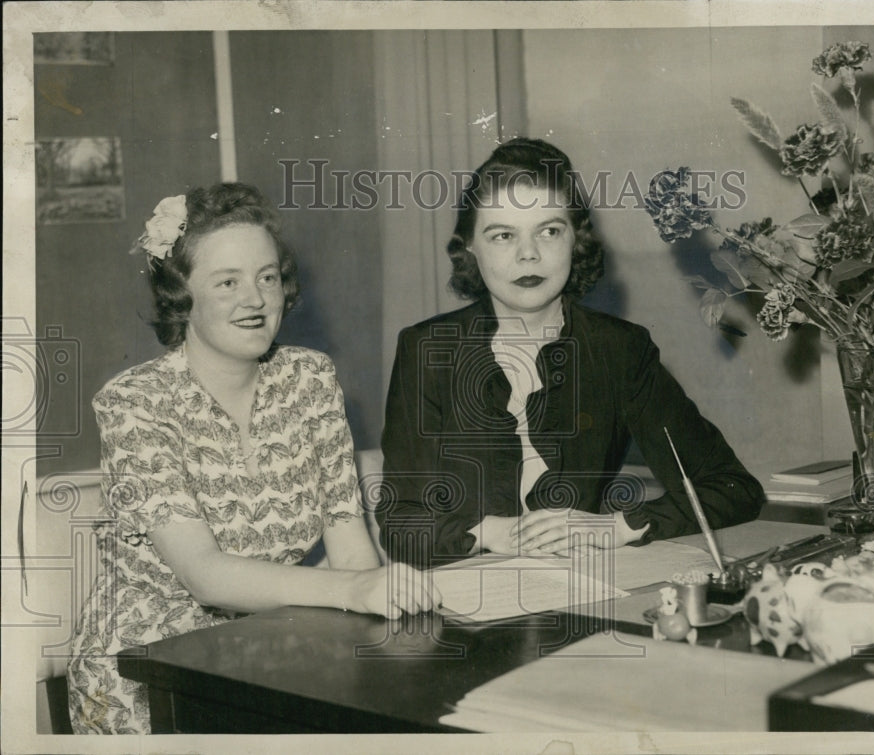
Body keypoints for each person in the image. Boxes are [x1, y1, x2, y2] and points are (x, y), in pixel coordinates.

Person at [67, 183, 438, 734]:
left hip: (274, 645)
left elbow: (351, 547)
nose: (256, 299)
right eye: (227, 282)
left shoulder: (309, 379)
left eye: (267, 277)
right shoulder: (135, 404)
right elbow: (205, 577)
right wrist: (352, 592)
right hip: (148, 668)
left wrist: (378, 604)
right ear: (180, 296)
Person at [377, 138, 765, 567]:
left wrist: (615, 527)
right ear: (470, 247)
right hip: (465, 598)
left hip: (582, 590)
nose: (529, 254)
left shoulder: (619, 349)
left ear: (575, 240)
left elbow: (733, 488)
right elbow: (401, 524)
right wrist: (491, 532)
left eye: (549, 231)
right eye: (503, 235)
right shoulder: (426, 350)